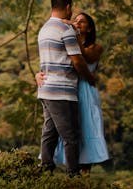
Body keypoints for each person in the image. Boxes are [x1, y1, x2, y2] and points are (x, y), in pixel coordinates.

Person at [37, 12, 109, 175]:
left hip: (86, 90)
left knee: (86, 127)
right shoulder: (69, 44)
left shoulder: (95, 47)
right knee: (63, 129)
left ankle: (84, 173)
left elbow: (86, 58)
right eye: (75, 20)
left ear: (89, 28)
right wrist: (38, 74)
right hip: (69, 88)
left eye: (82, 22)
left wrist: (72, 33)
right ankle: (58, 168)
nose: (77, 23)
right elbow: (55, 60)